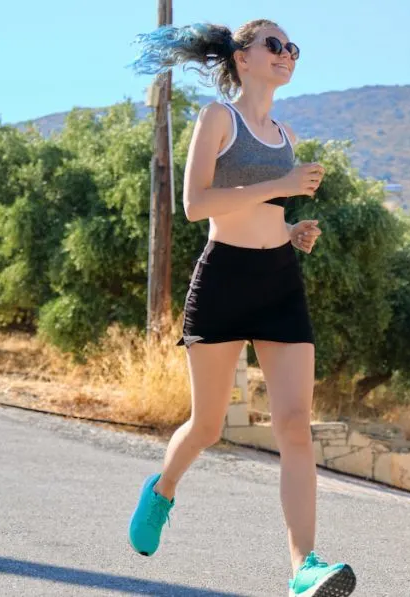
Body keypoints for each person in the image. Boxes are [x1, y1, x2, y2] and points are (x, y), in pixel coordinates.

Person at [127, 19, 356, 597]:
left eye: (292, 48)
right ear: (243, 57)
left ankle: (304, 567)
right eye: (274, 46)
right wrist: (278, 182)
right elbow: (196, 204)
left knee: (294, 426)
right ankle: (162, 490)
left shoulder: (285, 133)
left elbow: (266, 216)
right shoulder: (216, 119)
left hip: (279, 281)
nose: (286, 55)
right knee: (207, 425)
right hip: (223, 279)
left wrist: (291, 228)